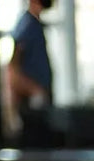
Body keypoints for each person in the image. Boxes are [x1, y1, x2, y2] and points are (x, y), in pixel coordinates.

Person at [5, 0, 56, 146]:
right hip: (31, 102)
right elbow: (13, 68)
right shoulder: (27, 25)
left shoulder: (36, 25)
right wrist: (35, 91)